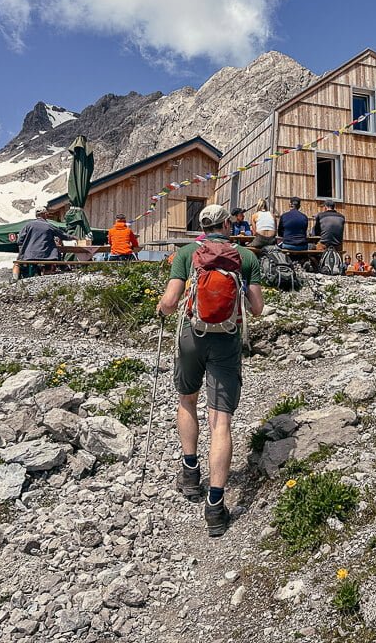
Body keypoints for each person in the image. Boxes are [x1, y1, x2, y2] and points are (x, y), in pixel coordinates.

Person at [157, 204, 264, 538]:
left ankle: (190, 474)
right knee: (221, 421)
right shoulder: (245, 258)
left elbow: (171, 300)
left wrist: (161, 307)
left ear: (201, 226)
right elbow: (258, 309)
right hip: (227, 339)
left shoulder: (187, 253)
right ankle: (215, 507)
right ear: (228, 224)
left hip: (192, 335)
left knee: (186, 399)